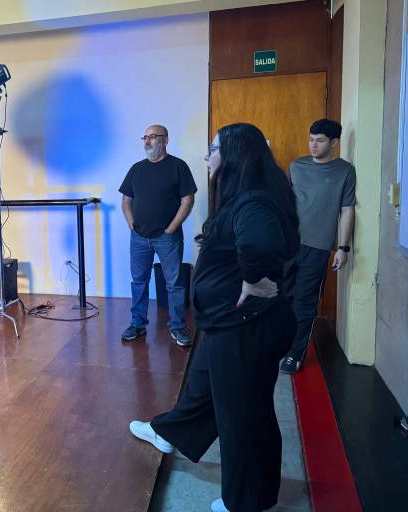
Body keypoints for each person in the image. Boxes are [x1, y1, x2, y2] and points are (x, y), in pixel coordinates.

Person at [129, 123, 299, 512]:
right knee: (202, 386)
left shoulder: (253, 201)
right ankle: (169, 433)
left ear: (236, 155)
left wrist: (252, 280)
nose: (207, 157)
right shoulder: (251, 193)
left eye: (213, 149)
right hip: (227, 325)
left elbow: (260, 244)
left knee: (243, 415)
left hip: (245, 328)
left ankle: (246, 501)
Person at [279, 119, 356, 374]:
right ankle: (279, 343)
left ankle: (295, 353)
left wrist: (343, 248)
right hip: (288, 244)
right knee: (282, 296)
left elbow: (347, 210)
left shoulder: (345, 171)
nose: (313, 145)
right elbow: (283, 202)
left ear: (334, 143)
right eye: (311, 139)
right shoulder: (297, 166)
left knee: (304, 301)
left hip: (318, 247)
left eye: (320, 140)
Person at [119, 124, 197, 346]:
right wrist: (131, 222)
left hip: (167, 238)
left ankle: (178, 326)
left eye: (152, 137)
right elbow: (126, 200)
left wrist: (172, 228)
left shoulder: (178, 166)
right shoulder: (136, 169)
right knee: (139, 282)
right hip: (139, 237)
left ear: (165, 140)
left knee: (174, 284)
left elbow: (188, 200)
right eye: (145, 137)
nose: (147, 141)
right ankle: (137, 324)